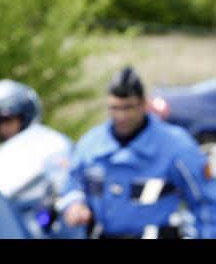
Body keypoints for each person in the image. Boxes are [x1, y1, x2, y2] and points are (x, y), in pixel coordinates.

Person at [59, 66, 216, 238]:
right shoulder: (91, 143)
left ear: (143, 104)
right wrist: (74, 204)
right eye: (115, 108)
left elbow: (207, 202)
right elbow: (72, 181)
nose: (121, 116)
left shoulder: (175, 145)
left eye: (128, 107)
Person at [0, 79, 79, 238]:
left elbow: (68, 185)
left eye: (8, 120)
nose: (3, 128)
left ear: (24, 115)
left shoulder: (50, 143)